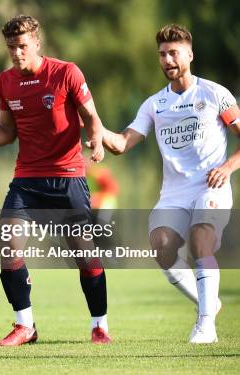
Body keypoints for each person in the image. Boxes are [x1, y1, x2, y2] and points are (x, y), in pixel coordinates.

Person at [0, 15, 112, 345]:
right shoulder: (6, 82)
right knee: (7, 245)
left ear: (37, 44)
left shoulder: (66, 73)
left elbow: (92, 119)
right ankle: (25, 326)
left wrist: (98, 141)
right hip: (27, 180)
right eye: (11, 47)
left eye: (22, 46)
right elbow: (7, 132)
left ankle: (99, 326)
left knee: (84, 255)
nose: (16, 53)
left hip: (68, 178)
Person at [97, 24, 239, 343]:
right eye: (162, 54)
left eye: (174, 53)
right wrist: (92, 122)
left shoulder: (214, 93)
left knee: (201, 241)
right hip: (174, 195)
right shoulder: (154, 104)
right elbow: (120, 144)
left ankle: (205, 325)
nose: (167, 60)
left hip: (210, 188)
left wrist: (228, 167)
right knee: (162, 248)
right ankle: (210, 304)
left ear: (189, 54)